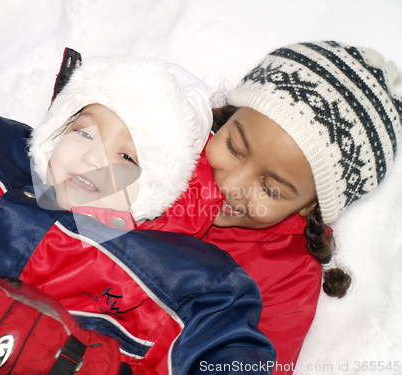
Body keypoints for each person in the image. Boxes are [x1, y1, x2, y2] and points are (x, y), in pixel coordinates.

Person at [0, 52, 275, 375]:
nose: (94, 157)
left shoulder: (183, 279)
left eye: (127, 157)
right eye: (83, 133)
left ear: (162, 184)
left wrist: (79, 363)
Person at [139, 40, 402, 374]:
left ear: (310, 205)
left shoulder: (288, 276)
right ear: (230, 115)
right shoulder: (168, 151)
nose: (232, 186)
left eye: (270, 188)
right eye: (234, 147)